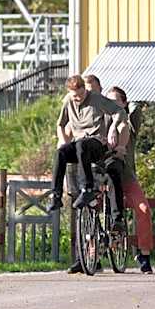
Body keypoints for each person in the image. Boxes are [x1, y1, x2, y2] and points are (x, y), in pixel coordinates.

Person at [48, 74, 125, 213]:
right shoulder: (68, 101)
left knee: (81, 145)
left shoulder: (96, 98)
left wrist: (113, 128)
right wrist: (63, 140)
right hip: (80, 145)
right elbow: (60, 124)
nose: (78, 98)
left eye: (81, 95)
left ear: (84, 89)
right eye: (75, 96)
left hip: (97, 143)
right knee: (61, 152)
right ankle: (56, 195)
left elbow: (119, 111)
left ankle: (87, 189)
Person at [106, 86, 154, 274]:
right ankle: (92, 253)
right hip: (107, 180)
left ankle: (144, 254)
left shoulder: (129, 124)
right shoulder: (101, 122)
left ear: (124, 103)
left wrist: (122, 110)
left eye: (115, 101)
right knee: (92, 206)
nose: (111, 105)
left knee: (144, 210)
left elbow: (136, 108)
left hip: (127, 178)